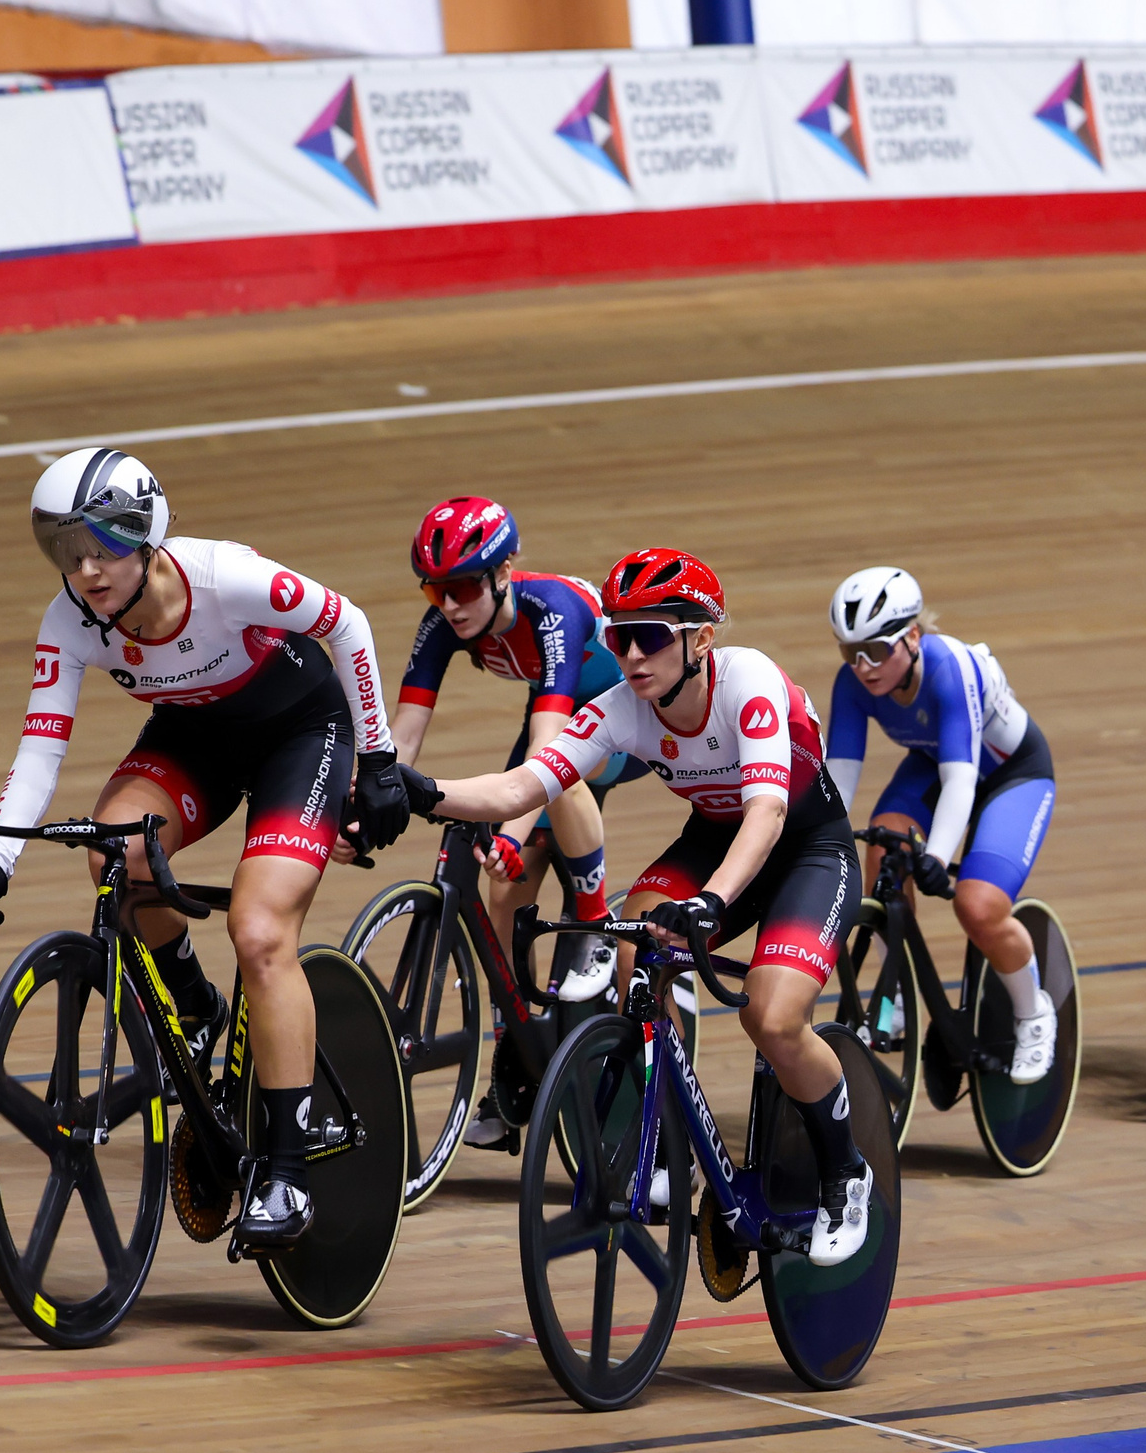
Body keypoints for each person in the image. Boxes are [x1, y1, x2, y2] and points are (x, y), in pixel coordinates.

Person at [0, 448, 411, 1250]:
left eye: (101, 548)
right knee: (111, 855)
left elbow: (347, 622)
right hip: (196, 738)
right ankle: (196, 1006)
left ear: (145, 536)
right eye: (68, 552)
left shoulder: (224, 577)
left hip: (302, 735)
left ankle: (289, 1171)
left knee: (260, 932)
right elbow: (42, 744)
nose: (85, 570)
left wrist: (380, 759)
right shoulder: (71, 620)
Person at [396, 548, 873, 1265]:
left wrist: (713, 900)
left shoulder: (749, 683)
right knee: (634, 947)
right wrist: (422, 790)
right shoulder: (624, 707)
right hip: (713, 839)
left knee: (771, 1015)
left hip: (805, 848)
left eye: (649, 635)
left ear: (699, 638)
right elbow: (524, 788)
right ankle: (671, 1146)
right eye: (618, 637)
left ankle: (847, 1172)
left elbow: (769, 812)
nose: (630, 654)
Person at [393, 496, 640, 1149]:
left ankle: (591, 925)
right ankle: (516, 1059)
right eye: (435, 588)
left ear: (506, 571)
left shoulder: (555, 611)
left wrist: (507, 830)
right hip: (556, 717)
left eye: (465, 585)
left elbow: (549, 757)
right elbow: (404, 736)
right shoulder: (444, 622)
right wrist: (367, 803)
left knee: (560, 784)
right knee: (502, 888)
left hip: (625, 716)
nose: (450, 604)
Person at [822, 566, 1059, 1082]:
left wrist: (934, 856)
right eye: (849, 651)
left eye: (876, 651)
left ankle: (1034, 1011)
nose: (863, 666)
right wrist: (816, 844)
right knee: (882, 854)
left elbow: (962, 783)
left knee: (978, 906)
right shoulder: (854, 684)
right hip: (935, 765)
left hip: (1011, 776)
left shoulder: (951, 668)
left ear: (912, 637)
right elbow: (836, 778)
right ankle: (897, 998)